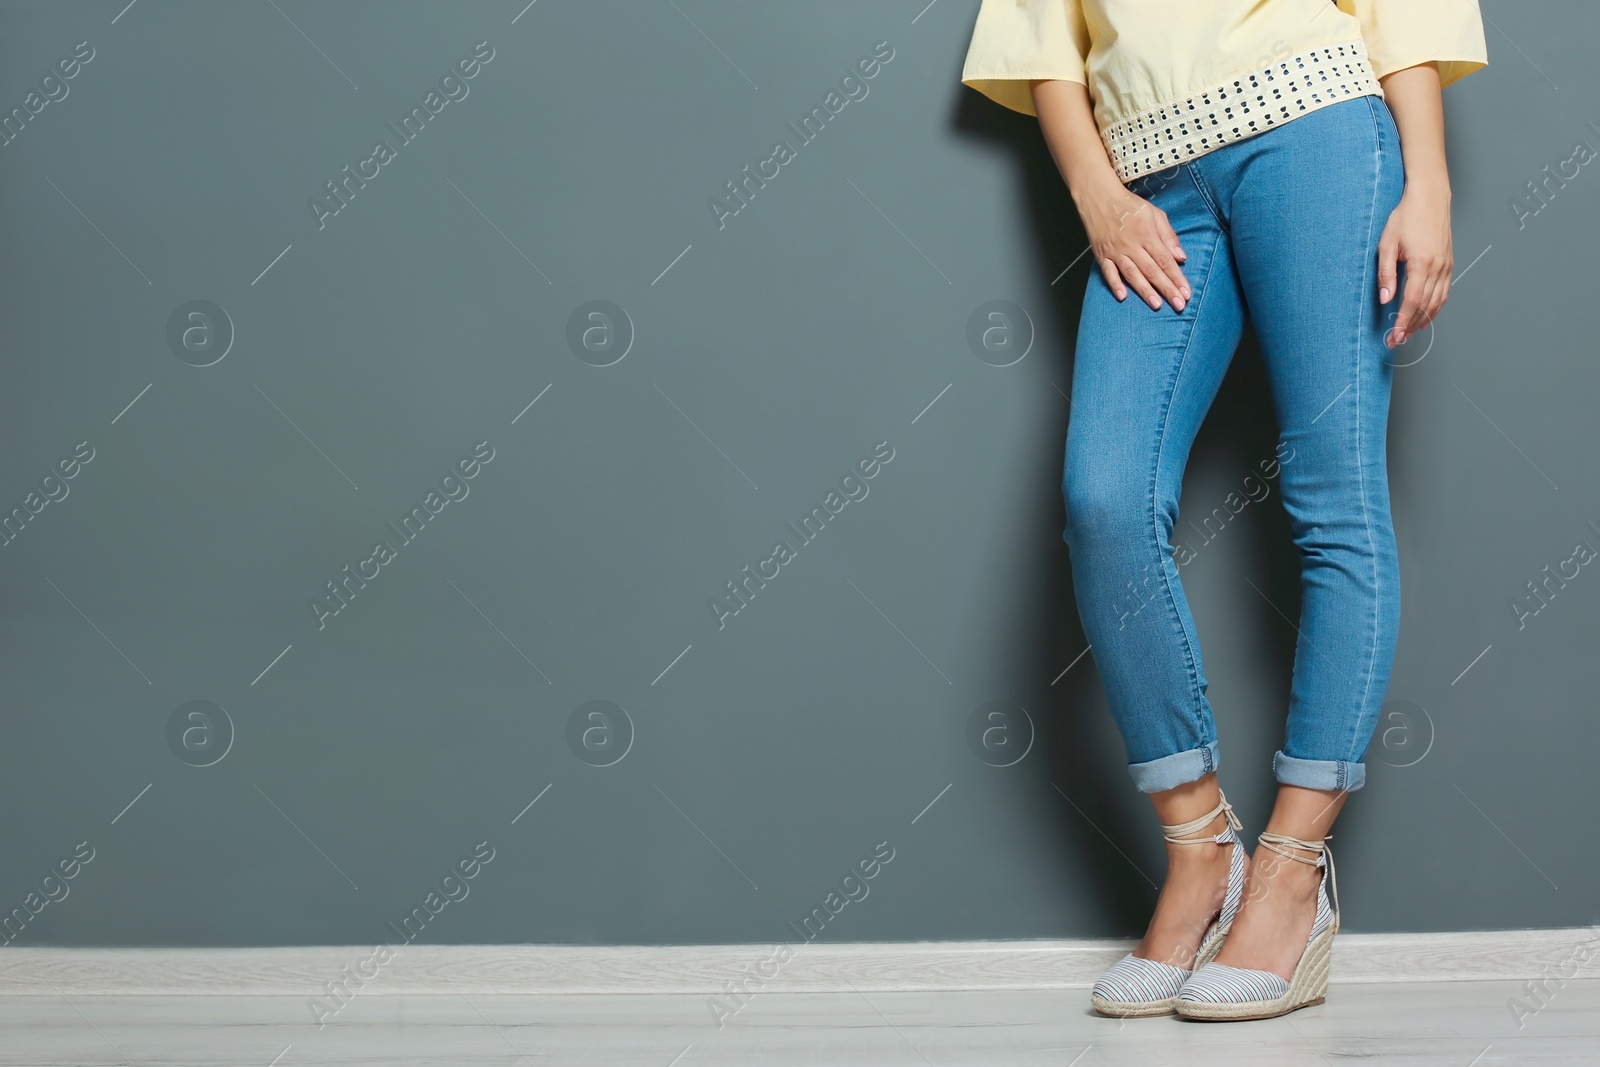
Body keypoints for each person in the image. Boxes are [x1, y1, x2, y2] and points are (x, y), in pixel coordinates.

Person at [961, 0, 1487, 1021]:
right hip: (1152, 182)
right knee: (1105, 499)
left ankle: (1291, 874)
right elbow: (1041, 43)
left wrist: (1429, 182)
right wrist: (1096, 197)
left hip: (1320, 132)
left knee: (1332, 498)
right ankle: (1203, 854)